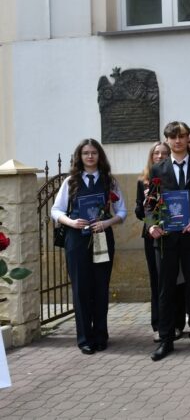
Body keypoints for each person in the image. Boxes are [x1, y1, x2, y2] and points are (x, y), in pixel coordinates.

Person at [51, 139, 127, 354]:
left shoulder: (109, 181)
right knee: (81, 288)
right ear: (80, 156)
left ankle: (101, 335)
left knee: (101, 286)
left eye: (94, 152)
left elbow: (122, 212)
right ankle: (85, 338)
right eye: (86, 153)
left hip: (102, 237)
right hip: (77, 239)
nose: (90, 156)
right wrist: (71, 222)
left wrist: (107, 222)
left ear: (99, 155)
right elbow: (56, 210)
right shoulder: (71, 182)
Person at [146, 121, 190, 361]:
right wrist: (151, 224)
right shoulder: (157, 169)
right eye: (173, 137)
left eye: (182, 136)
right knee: (166, 289)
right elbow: (150, 205)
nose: (178, 141)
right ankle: (166, 338)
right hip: (166, 240)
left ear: (187, 138)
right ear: (167, 140)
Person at [135, 142, 190, 342]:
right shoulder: (143, 181)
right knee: (158, 281)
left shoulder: (176, 178)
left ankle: (177, 323)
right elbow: (139, 211)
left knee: (178, 281)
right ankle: (159, 324)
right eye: (156, 153)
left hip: (176, 233)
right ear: (151, 156)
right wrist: (146, 206)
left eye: (164, 153)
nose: (160, 156)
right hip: (154, 235)